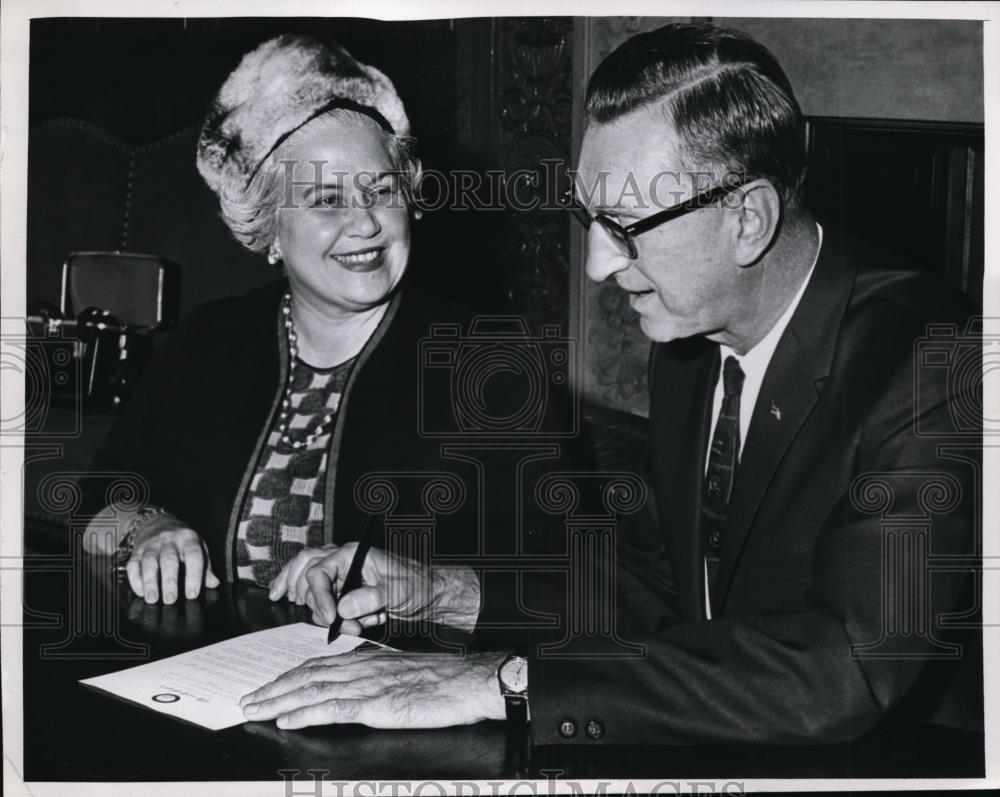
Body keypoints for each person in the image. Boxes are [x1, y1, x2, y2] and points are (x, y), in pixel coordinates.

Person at [239, 22, 981, 745]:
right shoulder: (689, 345)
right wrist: (449, 591)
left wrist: (506, 682)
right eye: (588, 219)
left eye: (624, 225)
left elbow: (841, 670)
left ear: (748, 219)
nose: (597, 264)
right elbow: (662, 589)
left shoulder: (931, 363)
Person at [80, 34, 556, 634]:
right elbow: (95, 498)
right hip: (201, 697)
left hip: (403, 705)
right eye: (326, 200)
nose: (364, 223)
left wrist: (432, 589)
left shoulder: (491, 365)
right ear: (268, 229)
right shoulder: (206, 342)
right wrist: (145, 526)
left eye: (382, 191)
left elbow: (575, 585)